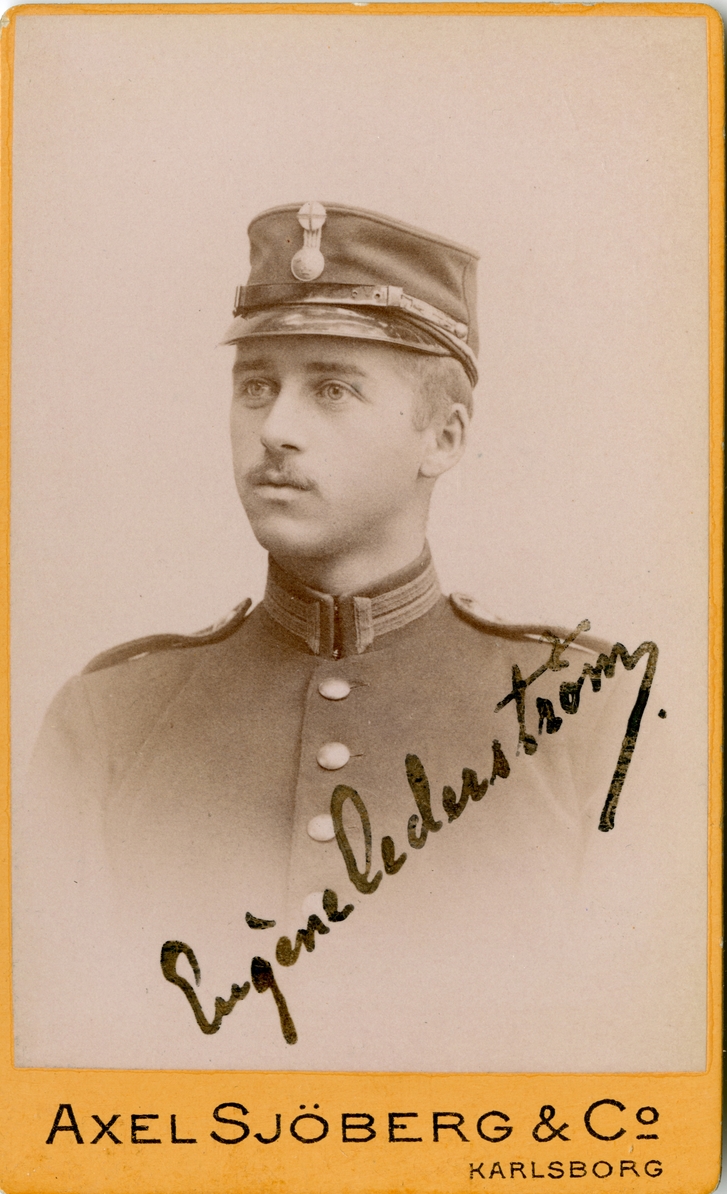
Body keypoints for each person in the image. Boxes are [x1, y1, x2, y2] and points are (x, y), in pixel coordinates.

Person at [13, 202, 659, 1072]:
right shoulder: (110, 718)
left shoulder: (588, 719)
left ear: (444, 436)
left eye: (331, 389)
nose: (275, 428)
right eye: (255, 386)